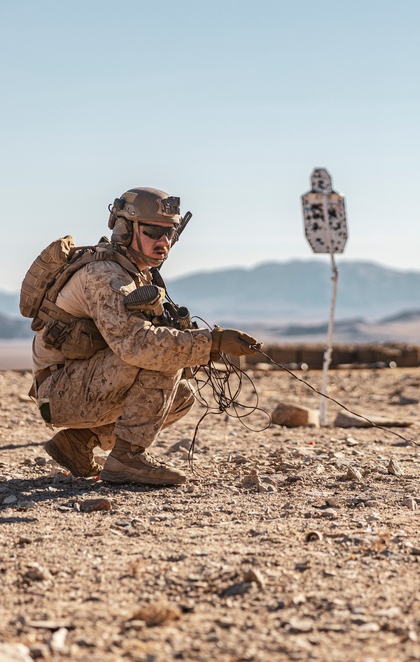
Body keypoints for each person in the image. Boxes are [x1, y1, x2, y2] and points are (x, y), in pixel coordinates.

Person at [29, 187, 261, 486]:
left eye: (170, 233)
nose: (164, 242)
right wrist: (209, 343)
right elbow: (138, 345)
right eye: (153, 232)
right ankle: (127, 459)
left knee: (179, 396)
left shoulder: (135, 273)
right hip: (57, 395)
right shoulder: (104, 275)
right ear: (126, 229)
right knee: (161, 357)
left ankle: (78, 442)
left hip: (78, 386)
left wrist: (200, 346)